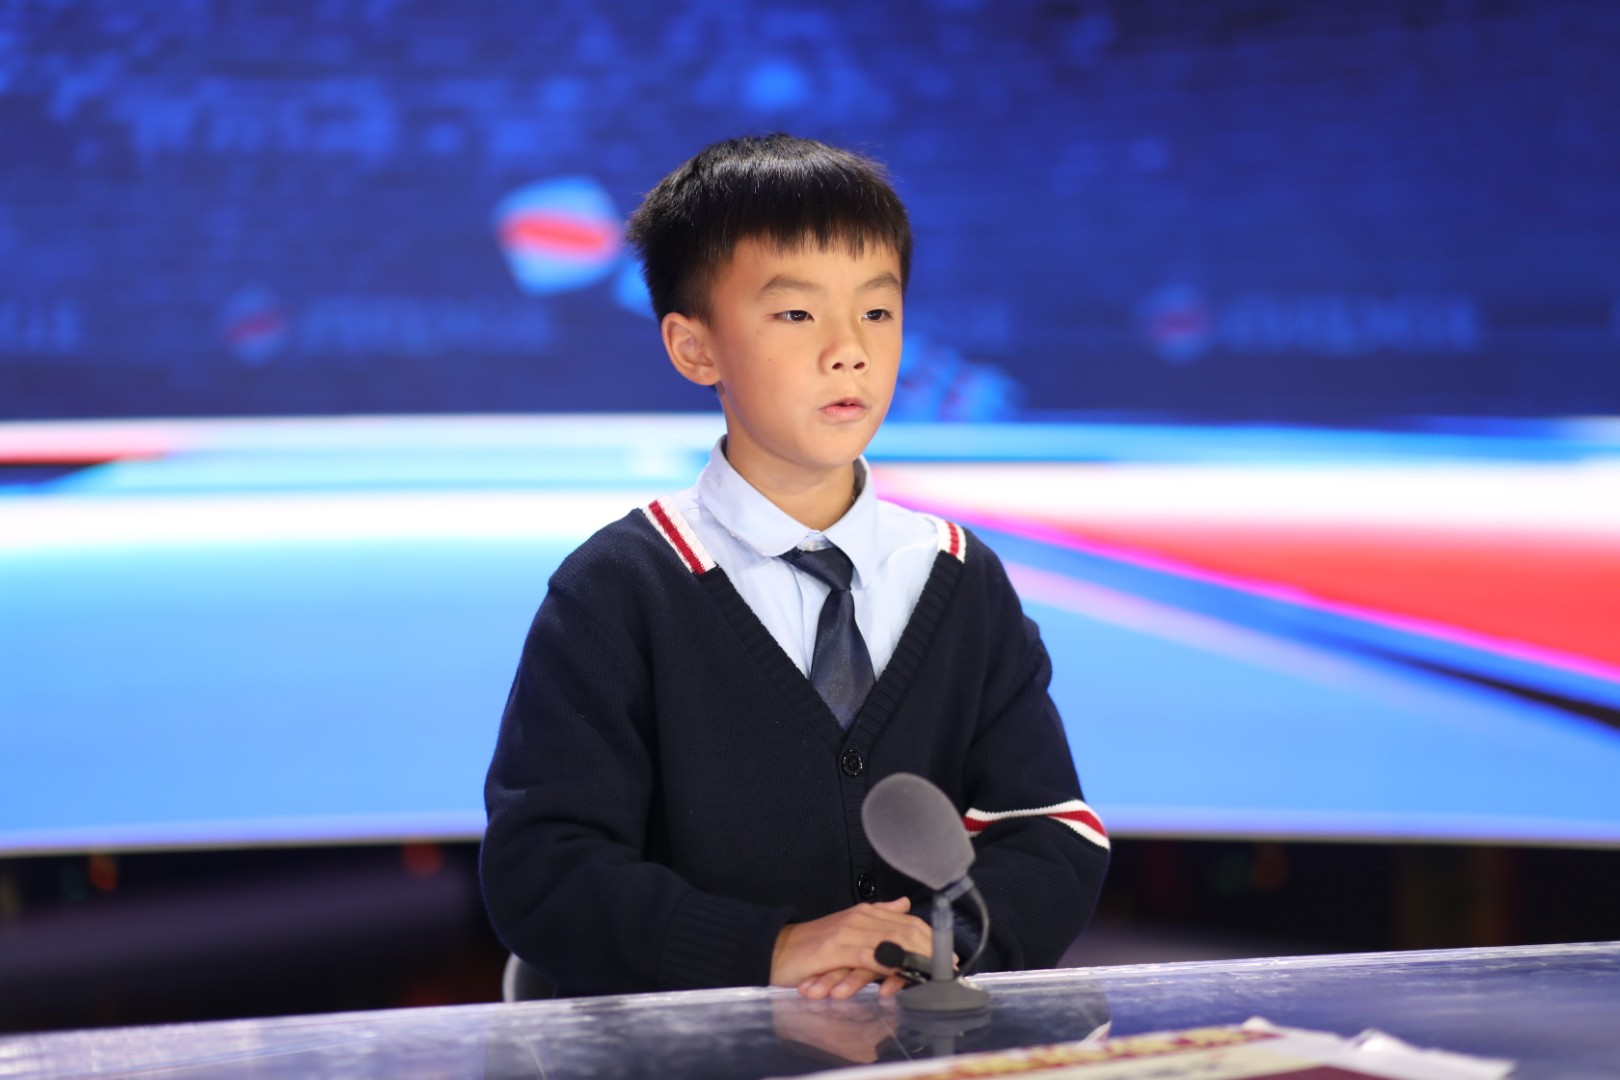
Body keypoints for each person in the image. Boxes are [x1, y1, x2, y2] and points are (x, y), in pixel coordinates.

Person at [481, 133, 1109, 1001]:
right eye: (796, 315)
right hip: (690, 1055)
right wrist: (772, 951)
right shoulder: (619, 588)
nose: (849, 350)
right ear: (694, 349)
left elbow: (1048, 829)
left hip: (916, 1045)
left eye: (877, 312)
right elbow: (546, 869)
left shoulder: (960, 575)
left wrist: (938, 945)